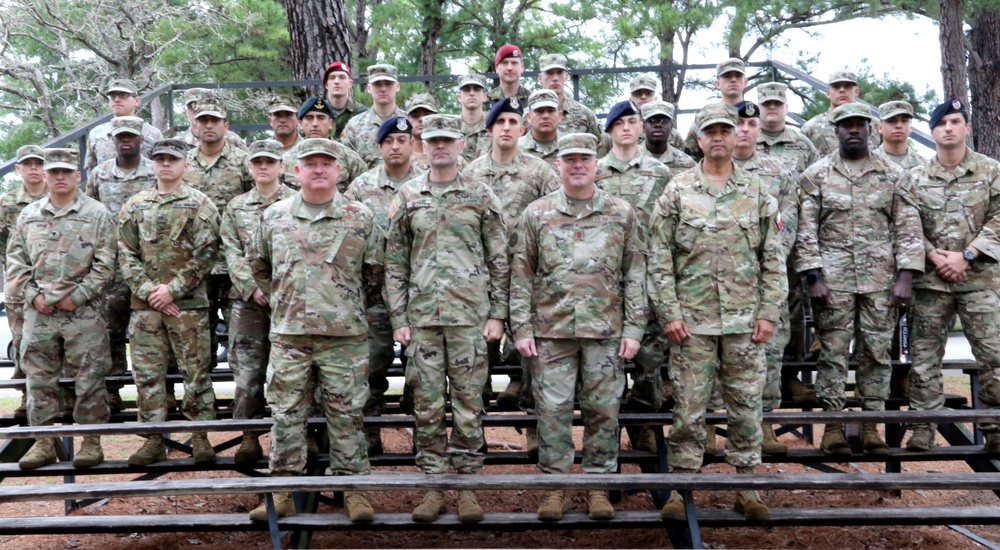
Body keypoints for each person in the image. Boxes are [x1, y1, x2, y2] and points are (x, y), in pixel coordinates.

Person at [650, 103, 786, 522]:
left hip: (746, 323)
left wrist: (768, 313)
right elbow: (659, 257)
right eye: (710, 131)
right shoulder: (677, 190)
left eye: (726, 130)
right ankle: (681, 488)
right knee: (688, 410)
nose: (719, 137)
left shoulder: (758, 192)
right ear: (699, 138)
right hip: (691, 323)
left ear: (736, 136)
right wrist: (669, 312)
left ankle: (747, 488)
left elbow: (773, 258)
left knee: (746, 408)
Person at [510, 132, 646, 521]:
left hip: (605, 332)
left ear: (596, 163)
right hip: (551, 332)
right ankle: (554, 488)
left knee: (603, 410)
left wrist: (634, 329)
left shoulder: (621, 212)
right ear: (559, 165)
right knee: (552, 411)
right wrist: (520, 328)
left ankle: (598, 486)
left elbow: (635, 272)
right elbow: (521, 273)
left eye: (584, 158)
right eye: (570, 159)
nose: (578, 165)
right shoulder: (536, 214)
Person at [248, 138, 381, 523]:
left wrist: (341, 304)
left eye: (327, 163)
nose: (319, 169)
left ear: (339, 171)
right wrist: (288, 300)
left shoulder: (360, 216)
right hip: (290, 335)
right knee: (286, 415)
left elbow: (373, 272)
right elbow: (259, 265)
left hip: (345, 336)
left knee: (347, 414)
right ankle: (284, 491)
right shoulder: (274, 216)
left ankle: (355, 491)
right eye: (311, 163)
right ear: (296, 171)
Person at [384, 114, 509, 524]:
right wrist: (399, 316)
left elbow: (499, 259)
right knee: (427, 404)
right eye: (433, 140)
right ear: (423, 145)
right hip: (421, 320)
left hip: (470, 319)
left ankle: (469, 488)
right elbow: (395, 263)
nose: (440, 146)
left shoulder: (480, 194)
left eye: (447, 140)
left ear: (460, 146)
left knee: (471, 404)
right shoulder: (406, 197)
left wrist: (497, 314)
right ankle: (434, 486)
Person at [795, 103, 924, 456]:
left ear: (871, 129)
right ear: (835, 131)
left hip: (881, 283)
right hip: (832, 283)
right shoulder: (816, 175)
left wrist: (906, 276)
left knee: (876, 354)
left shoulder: (894, 175)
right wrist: (813, 276)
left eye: (859, 125)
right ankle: (834, 428)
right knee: (833, 354)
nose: (853, 130)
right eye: (845, 125)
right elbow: (806, 230)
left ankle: (871, 427)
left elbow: (907, 228)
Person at [7, 148, 117, 470]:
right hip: (39, 314)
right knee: (39, 381)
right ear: (44, 174)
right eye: (52, 170)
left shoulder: (97, 214)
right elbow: (15, 262)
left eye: (65, 171)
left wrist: (78, 296)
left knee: (90, 379)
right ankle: (43, 443)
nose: (58, 176)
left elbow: (107, 265)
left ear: (77, 176)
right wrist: (32, 296)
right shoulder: (28, 214)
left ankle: (91, 442)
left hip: (82, 314)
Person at [903, 99, 1000, 453]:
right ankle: (923, 428)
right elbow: (906, 223)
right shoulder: (914, 178)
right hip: (931, 282)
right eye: (941, 123)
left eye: (955, 121)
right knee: (925, 356)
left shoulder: (991, 171)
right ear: (931, 131)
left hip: (980, 280)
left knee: (994, 356)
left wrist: (968, 255)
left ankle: (995, 430)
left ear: (967, 128)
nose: (948, 128)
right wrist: (932, 254)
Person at [463, 98, 560, 450]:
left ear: (524, 128)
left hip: (528, 278)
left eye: (513, 121)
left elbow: (557, 221)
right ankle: (474, 432)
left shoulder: (540, 172)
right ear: (489, 129)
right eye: (499, 121)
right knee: (475, 359)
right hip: (481, 278)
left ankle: (535, 429)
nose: (506, 127)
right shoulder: (470, 173)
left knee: (535, 356)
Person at [119, 139, 221, 466]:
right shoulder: (134, 205)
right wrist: (152, 291)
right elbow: (126, 253)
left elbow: (205, 253)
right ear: (152, 164)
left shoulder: (200, 204)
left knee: (196, 371)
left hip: (188, 305)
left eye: (172, 160)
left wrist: (172, 291)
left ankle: (201, 434)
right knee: (148, 376)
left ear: (185, 165)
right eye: (160, 159)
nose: (166, 164)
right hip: (146, 307)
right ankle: (153, 439)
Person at [595, 100, 672, 452]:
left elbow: (669, 229)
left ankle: (643, 425)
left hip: (649, 276)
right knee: (606, 361)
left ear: (641, 128)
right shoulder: (595, 172)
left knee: (650, 359)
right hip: (606, 281)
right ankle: (606, 441)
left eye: (632, 121)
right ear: (609, 130)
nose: (626, 128)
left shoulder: (660, 174)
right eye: (619, 123)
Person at [344, 116, 424, 455]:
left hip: (418, 294)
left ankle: (424, 433)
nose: (395, 146)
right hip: (372, 295)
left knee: (423, 371)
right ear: (379, 146)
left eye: (401, 140)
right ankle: (372, 429)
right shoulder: (361, 187)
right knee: (371, 366)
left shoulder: (426, 182)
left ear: (411, 145)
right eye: (388, 140)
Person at [221, 140, 296, 463]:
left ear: (282, 166)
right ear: (249, 168)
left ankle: (300, 435)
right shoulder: (236, 207)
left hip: (288, 300)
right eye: (257, 162)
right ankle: (249, 436)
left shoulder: (297, 201)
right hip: (247, 301)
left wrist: (279, 289)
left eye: (270, 162)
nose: (263, 167)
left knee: (292, 374)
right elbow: (231, 251)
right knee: (248, 373)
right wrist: (253, 287)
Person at [731, 101, 798, 454]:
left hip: (765, 278)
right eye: (736, 124)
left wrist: (765, 259)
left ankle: (766, 423)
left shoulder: (777, 171)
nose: (743, 130)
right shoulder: (711, 170)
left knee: (769, 351)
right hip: (723, 280)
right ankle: (715, 422)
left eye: (750, 124)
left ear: (759, 130)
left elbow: (788, 221)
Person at [87, 116, 158, 412]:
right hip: (113, 266)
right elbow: (90, 213)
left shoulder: (156, 172)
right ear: (113, 140)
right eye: (120, 136)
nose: (125, 140)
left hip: (150, 264)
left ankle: (159, 390)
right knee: (112, 329)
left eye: (131, 136)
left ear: (142, 139)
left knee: (153, 330)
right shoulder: (100, 174)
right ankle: (113, 388)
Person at [755, 81, 820, 401]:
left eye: (777, 104)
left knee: (793, 312)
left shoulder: (802, 144)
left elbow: (809, 192)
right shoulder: (746, 139)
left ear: (785, 107)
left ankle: (790, 375)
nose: (771, 108)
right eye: (766, 104)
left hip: (791, 246)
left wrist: (784, 246)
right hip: (749, 247)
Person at [182, 99, 253, 372]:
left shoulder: (242, 160)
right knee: (199, 337)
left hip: (235, 262)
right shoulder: (184, 163)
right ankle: (204, 402)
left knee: (241, 337)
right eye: (203, 121)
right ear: (195, 125)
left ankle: (245, 403)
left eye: (214, 121)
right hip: (197, 263)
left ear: (226, 125)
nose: (208, 125)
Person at [0, 145, 48, 418]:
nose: (33, 168)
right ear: (18, 168)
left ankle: (60, 394)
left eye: (37, 164)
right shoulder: (6, 203)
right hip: (20, 285)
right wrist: (15, 267)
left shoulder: (58, 197)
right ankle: (26, 396)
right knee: (22, 343)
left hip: (54, 282)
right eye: (27, 164)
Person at [282, 97, 367, 192]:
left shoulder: (349, 158)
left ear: (330, 123)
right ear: (300, 124)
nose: (315, 123)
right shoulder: (286, 160)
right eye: (309, 118)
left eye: (321, 118)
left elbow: (363, 190)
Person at [85, 78, 163, 170]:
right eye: (113, 96)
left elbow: (161, 168)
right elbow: (90, 171)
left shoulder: (152, 134)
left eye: (123, 95)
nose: (117, 99)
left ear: (137, 101)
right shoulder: (97, 133)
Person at [342, 64, 407, 168]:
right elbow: (345, 165)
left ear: (397, 87)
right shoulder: (354, 126)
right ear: (369, 88)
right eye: (377, 84)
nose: (383, 89)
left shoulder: (409, 122)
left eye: (388, 84)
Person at [801, 70, 880, 155]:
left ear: (856, 92)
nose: (842, 90)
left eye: (847, 86)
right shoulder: (811, 127)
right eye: (836, 87)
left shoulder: (874, 124)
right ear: (828, 93)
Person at [683, 58, 748, 158]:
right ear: (717, 84)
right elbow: (690, 156)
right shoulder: (705, 116)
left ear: (745, 83)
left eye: (738, 76)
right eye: (727, 76)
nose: (733, 80)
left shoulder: (754, 118)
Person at [537, 53, 602, 141]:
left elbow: (602, 144)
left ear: (566, 77)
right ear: (540, 78)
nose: (555, 78)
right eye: (549, 73)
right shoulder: (529, 115)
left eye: (559, 72)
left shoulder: (584, 114)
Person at [177, 88, 247, 151]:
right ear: (186, 112)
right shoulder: (177, 143)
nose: (197, 110)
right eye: (193, 106)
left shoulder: (232, 139)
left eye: (202, 106)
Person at [640, 101, 695, 173]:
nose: (658, 125)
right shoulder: (630, 159)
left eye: (664, 120)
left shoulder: (687, 163)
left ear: (672, 126)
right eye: (652, 120)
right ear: (643, 126)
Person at [322, 61, 368, 139]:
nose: (336, 82)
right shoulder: (318, 112)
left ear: (350, 83)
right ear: (326, 84)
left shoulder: (363, 113)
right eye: (332, 78)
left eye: (342, 77)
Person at [519, 90, 562, 169]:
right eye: (539, 111)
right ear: (529, 117)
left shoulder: (570, 146)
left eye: (551, 111)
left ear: (559, 116)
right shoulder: (516, 148)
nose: (545, 116)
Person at [875, 101, 924, 170]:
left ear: (910, 127)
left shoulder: (924, 165)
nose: (899, 126)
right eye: (891, 121)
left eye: (904, 121)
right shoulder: (869, 162)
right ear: (880, 127)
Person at [458, 74, 492, 163]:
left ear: (484, 97)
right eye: (466, 89)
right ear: (459, 97)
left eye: (477, 89)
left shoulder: (494, 125)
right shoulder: (452, 127)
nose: (472, 93)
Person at [405, 93, 440, 172]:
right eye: (415, 115)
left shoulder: (449, 155)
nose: (421, 119)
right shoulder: (399, 155)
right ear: (407, 120)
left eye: (426, 115)